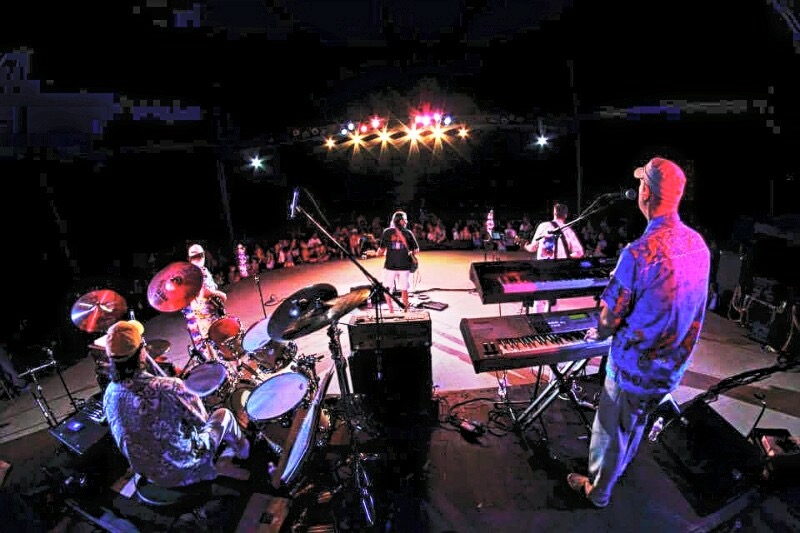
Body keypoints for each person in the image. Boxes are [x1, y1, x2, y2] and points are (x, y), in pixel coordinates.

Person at [567, 157, 710, 508]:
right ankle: (617, 470)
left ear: (645, 192)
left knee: (610, 429)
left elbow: (607, 322)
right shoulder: (699, 245)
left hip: (633, 370)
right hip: (672, 367)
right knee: (636, 422)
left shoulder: (638, 253)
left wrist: (592, 324)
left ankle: (597, 491)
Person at [102, 320, 250, 488]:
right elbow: (202, 422)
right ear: (141, 353)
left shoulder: (109, 393)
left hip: (149, 474)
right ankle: (244, 454)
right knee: (224, 415)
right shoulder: (168, 387)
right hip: (185, 470)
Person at [523, 202, 585, 313]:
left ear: (554, 213)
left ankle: (538, 324)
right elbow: (580, 252)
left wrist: (525, 245)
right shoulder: (568, 230)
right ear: (566, 215)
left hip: (543, 268)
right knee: (554, 300)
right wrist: (566, 256)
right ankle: (552, 323)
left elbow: (532, 248)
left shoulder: (543, 226)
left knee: (540, 299)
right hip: (559, 270)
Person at [183, 243, 228, 361]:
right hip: (205, 317)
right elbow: (203, 293)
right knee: (212, 345)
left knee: (217, 343)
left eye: (201, 255)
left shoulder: (204, 270)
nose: (199, 258)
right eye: (194, 256)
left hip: (212, 313)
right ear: (189, 259)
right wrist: (220, 294)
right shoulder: (194, 273)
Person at [377, 210, 419, 313]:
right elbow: (416, 250)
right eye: (405, 219)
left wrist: (376, 252)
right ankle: (405, 310)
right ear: (400, 221)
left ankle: (391, 310)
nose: (406, 221)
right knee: (404, 289)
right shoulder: (408, 233)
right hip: (404, 266)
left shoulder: (387, 232)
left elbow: (381, 251)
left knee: (387, 289)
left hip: (390, 266)